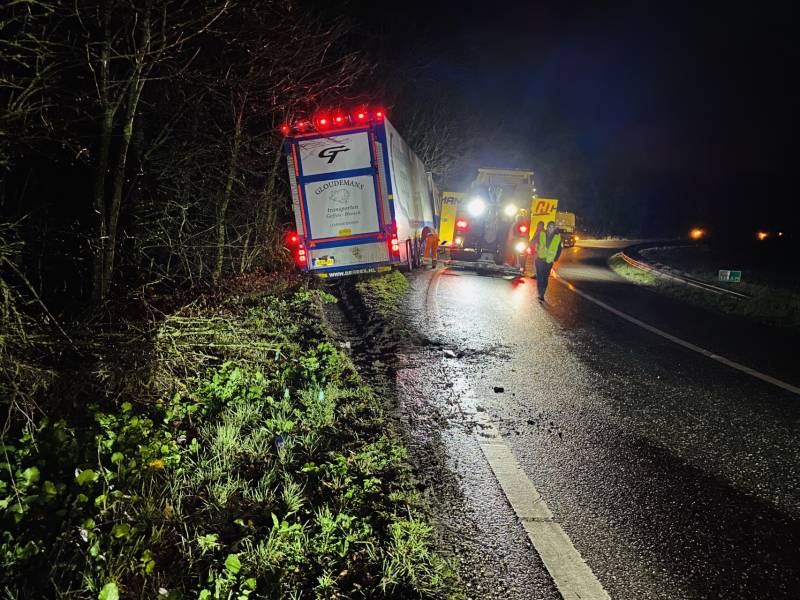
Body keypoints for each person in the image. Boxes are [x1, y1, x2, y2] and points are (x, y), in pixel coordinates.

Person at [533, 220, 562, 301]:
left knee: (545, 277)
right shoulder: (542, 234)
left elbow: (559, 249)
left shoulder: (557, 237)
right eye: (549, 227)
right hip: (540, 258)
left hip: (549, 261)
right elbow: (537, 244)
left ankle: (542, 294)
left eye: (552, 227)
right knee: (539, 277)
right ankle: (539, 292)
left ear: (555, 228)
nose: (550, 229)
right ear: (547, 227)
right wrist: (536, 250)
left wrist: (555, 258)